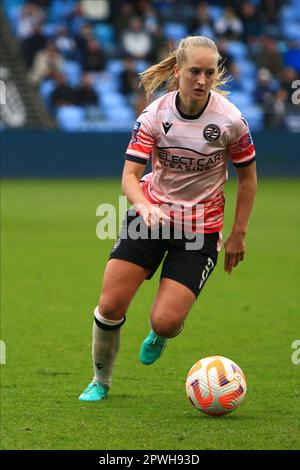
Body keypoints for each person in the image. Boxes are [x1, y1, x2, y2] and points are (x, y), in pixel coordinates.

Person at [79, 36, 257, 402]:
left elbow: (249, 177)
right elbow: (129, 176)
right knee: (111, 305)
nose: (202, 80)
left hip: (200, 229)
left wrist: (238, 234)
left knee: (165, 320)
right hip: (151, 217)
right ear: (177, 71)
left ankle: (160, 333)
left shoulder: (231, 121)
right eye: (195, 71)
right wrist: (144, 206)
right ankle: (101, 381)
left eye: (210, 72)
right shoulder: (155, 115)